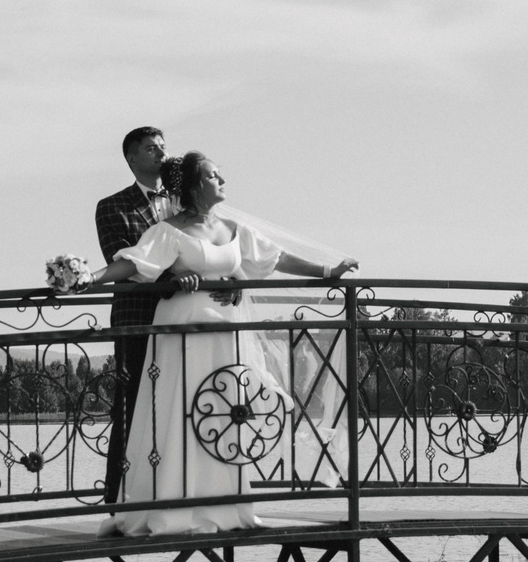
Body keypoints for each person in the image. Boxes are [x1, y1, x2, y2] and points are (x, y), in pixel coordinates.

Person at [84, 151, 356, 536]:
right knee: (181, 412)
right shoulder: (169, 231)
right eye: (214, 176)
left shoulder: (232, 229)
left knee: (227, 415)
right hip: (182, 334)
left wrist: (327, 271)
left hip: (225, 337)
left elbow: (274, 257)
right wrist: (86, 279)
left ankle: (228, 507)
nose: (222, 182)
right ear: (196, 185)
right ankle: (173, 507)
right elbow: (132, 264)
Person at [92, 126, 192, 504]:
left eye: (164, 147)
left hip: (185, 315)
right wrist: (177, 277)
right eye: (152, 149)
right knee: (131, 403)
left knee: (182, 401)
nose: (161, 154)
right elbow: (125, 261)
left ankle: (177, 491)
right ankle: (117, 495)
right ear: (132, 157)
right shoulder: (112, 206)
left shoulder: (185, 201)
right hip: (138, 316)